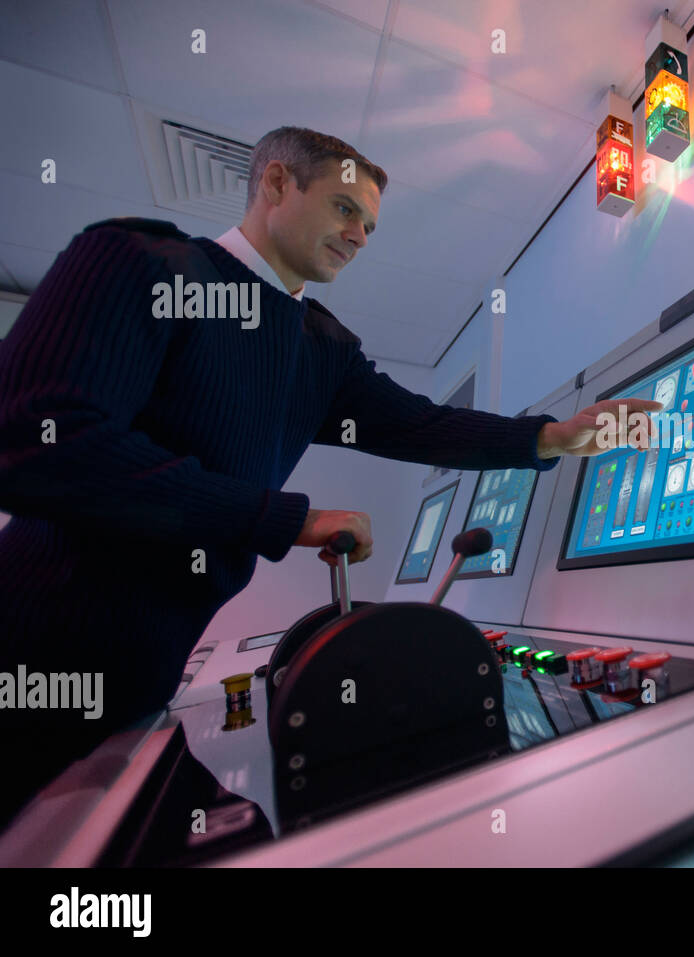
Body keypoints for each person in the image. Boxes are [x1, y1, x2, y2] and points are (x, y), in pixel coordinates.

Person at [0, 126, 659, 827]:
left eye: (370, 224)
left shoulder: (319, 347)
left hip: (140, 688)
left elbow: (420, 424)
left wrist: (550, 437)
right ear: (278, 183)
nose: (361, 235)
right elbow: (37, 442)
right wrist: (286, 517)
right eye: (346, 208)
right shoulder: (142, 262)